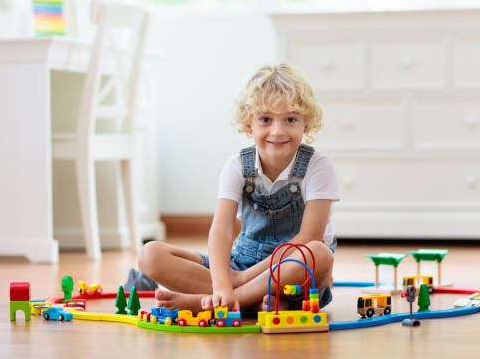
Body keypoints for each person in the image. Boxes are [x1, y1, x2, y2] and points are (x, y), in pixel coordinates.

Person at [130, 63, 339, 314]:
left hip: (291, 271)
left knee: (319, 253)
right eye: (265, 119)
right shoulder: (238, 166)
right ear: (249, 125)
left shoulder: (318, 165)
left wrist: (240, 282)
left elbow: (308, 237)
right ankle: (243, 301)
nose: (277, 131)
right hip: (241, 264)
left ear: (306, 124)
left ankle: (214, 302)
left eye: (290, 119)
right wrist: (222, 283)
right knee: (149, 255)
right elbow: (221, 230)